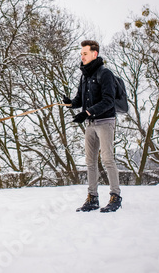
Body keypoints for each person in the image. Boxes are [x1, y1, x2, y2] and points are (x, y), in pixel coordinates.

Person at [63, 40, 122, 213]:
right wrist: (70, 103)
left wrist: (87, 112)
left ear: (94, 54)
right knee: (90, 162)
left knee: (107, 159)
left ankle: (115, 196)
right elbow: (79, 100)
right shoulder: (85, 76)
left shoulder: (105, 74)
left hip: (105, 122)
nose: (82, 56)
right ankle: (93, 197)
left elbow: (108, 101)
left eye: (85, 53)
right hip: (90, 124)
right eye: (81, 53)